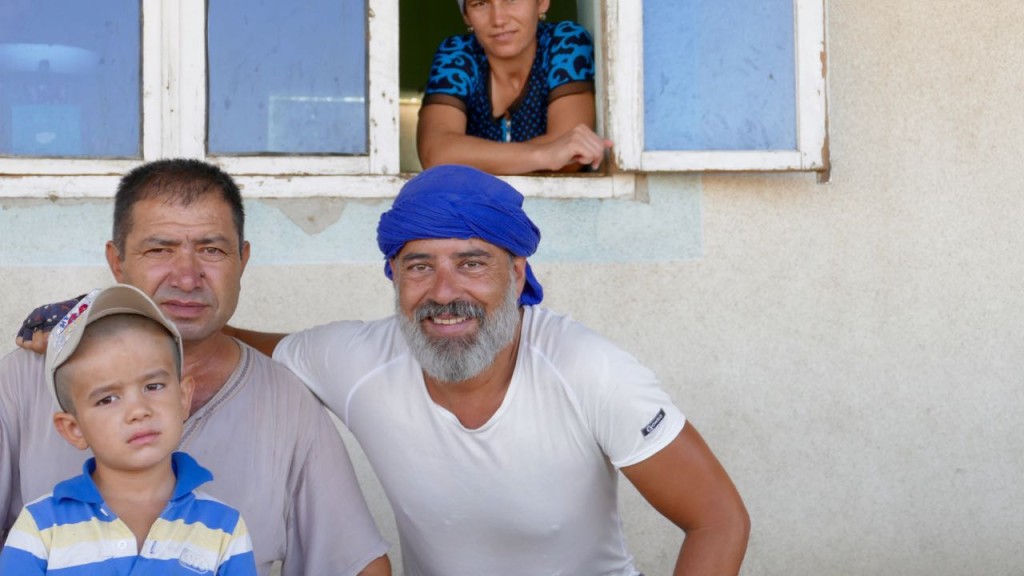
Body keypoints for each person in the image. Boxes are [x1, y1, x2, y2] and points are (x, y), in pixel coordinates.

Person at [230, 164, 751, 575]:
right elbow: (228, 345)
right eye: (419, 266)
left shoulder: (588, 369)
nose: (444, 292)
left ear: (517, 273)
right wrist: (157, 317)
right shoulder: (358, 360)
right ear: (395, 278)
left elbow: (718, 519)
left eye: (472, 262)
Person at [0, 159, 391, 576]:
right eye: (159, 249)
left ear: (242, 260)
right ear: (117, 262)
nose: (187, 278)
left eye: (211, 249)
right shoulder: (29, 377)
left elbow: (359, 566)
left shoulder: (287, 403)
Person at [0, 284, 257, 575]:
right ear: (73, 429)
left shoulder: (224, 529)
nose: (138, 410)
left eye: (154, 386)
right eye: (107, 399)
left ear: (184, 398)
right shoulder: (40, 528)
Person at [417, 0, 613, 175]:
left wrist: (470, 157)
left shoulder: (564, 41)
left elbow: (572, 158)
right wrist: (543, 155)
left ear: (542, 3)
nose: (498, 19)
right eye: (480, 4)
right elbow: (435, 153)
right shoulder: (457, 53)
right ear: (466, 16)